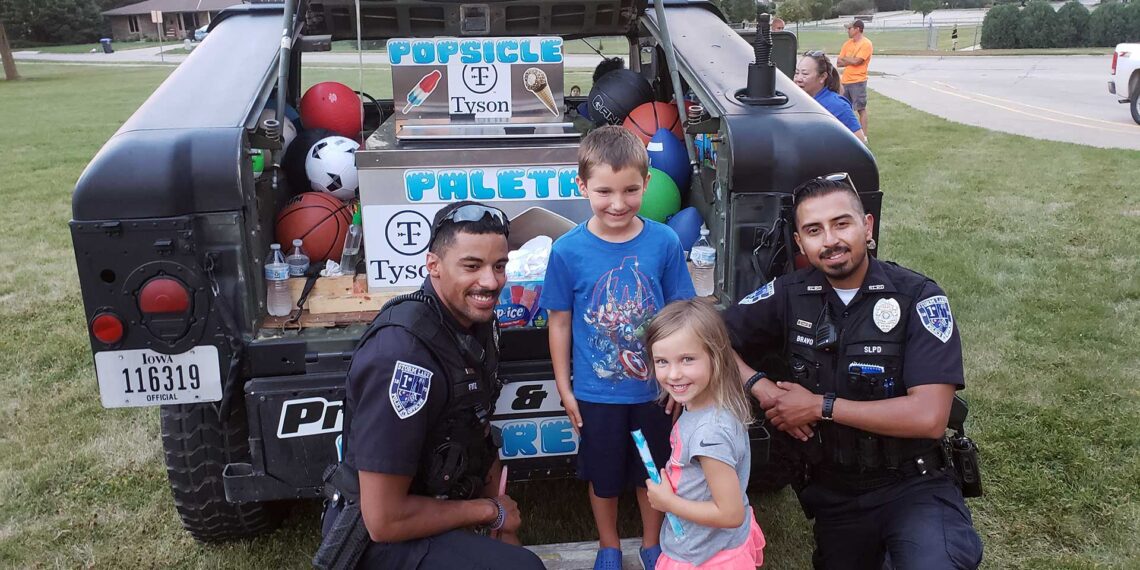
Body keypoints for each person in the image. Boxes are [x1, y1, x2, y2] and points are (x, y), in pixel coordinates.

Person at [723, 175, 984, 569]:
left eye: (841, 223)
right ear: (800, 243)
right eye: (814, 230)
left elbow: (930, 417)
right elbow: (705, 335)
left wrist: (819, 406)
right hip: (836, 492)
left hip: (913, 484)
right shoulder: (789, 293)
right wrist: (759, 386)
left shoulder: (919, 296)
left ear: (867, 226)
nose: (830, 240)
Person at [319, 201, 545, 570]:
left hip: (433, 503)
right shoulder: (401, 357)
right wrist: (490, 512)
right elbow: (383, 520)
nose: (490, 282)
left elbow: (477, 426)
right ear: (433, 266)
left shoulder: (473, 322)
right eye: (471, 266)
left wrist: (503, 527)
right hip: (377, 538)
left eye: (499, 266)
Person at [542, 125, 697, 570]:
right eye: (604, 191)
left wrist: (677, 379)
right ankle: (608, 545)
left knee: (653, 471)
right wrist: (565, 387)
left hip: (655, 392)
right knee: (604, 477)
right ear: (582, 186)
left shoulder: (664, 242)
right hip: (596, 394)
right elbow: (559, 321)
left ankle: (652, 544)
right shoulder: (567, 251)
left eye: (631, 190)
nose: (618, 203)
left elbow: (680, 314)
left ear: (647, 184)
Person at [643, 299, 767, 570]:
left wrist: (668, 502)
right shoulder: (708, 405)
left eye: (687, 359)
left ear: (716, 356)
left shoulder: (709, 433)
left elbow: (730, 513)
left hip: (706, 556)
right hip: (715, 543)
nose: (674, 374)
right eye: (662, 361)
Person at [794, 51, 867, 144]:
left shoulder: (838, 106)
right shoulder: (797, 101)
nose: (798, 79)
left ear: (822, 77)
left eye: (805, 74)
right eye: (796, 73)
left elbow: (859, 142)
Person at [837, 20, 873, 137]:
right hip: (845, 81)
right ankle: (847, 134)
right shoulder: (847, 44)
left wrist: (847, 59)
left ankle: (864, 136)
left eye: (850, 28)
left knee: (860, 108)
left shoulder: (866, 44)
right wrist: (850, 59)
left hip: (858, 81)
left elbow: (858, 61)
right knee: (844, 109)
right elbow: (839, 62)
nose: (848, 30)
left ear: (857, 29)